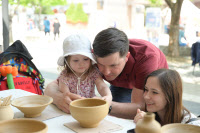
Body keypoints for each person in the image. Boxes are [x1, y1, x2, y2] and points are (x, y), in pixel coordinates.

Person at [44, 28, 168, 119]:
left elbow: (139, 107)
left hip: (150, 86)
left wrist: (102, 106)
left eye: (113, 65)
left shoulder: (146, 58)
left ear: (126, 57)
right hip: (121, 83)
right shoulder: (87, 59)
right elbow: (52, 86)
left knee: (141, 119)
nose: (106, 72)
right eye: (100, 64)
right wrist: (59, 98)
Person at [46, 34, 112, 113]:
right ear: (67, 61)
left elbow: (102, 86)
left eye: (85, 59)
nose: (81, 64)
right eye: (76, 60)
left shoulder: (93, 72)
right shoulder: (65, 76)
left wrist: (108, 96)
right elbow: (65, 94)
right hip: (72, 108)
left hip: (90, 107)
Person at [134, 69, 200, 126]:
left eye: (154, 92)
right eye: (146, 89)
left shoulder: (192, 125)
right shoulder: (150, 118)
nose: (146, 96)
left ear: (171, 95)